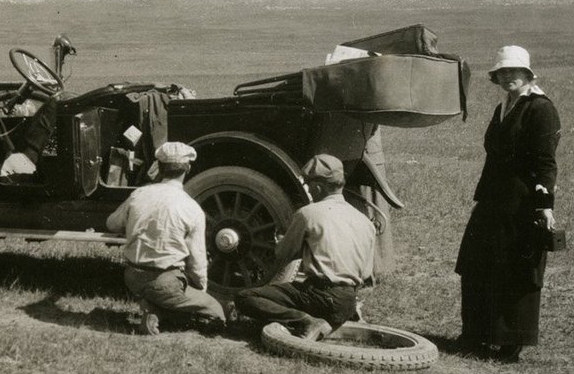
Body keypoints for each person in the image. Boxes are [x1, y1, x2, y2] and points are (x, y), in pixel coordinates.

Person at [455, 45, 562, 363]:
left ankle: (509, 341)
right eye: (502, 72)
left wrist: (545, 206)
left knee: (515, 270)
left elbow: (546, 162)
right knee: (476, 265)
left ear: (527, 74)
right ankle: (476, 334)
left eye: (513, 71)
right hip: (492, 200)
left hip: (521, 203)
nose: (507, 77)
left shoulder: (540, 108)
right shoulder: (503, 107)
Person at [234, 154, 376, 341]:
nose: (308, 190)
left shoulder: (308, 214)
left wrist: (282, 240)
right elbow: (366, 273)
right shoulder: (365, 222)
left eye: (309, 185)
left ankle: (304, 321)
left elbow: (282, 254)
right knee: (311, 295)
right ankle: (334, 320)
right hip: (347, 302)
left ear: (318, 187)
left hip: (320, 297)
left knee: (244, 297)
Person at [105, 142, 227, 335]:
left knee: (163, 293)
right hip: (166, 281)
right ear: (187, 169)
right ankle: (164, 311)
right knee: (216, 311)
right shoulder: (191, 207)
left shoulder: (139, 194)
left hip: (133, 277)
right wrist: (200, 288)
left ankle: (152, 309)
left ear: (159, 167)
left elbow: (112, 223)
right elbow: (197, 260)